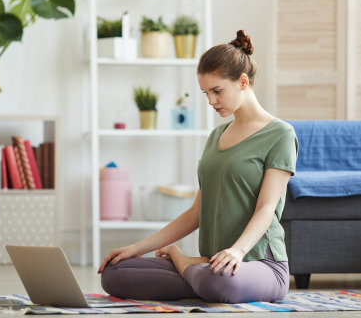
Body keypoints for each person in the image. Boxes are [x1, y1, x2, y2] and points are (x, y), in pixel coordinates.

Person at [98, 30, 298, 303]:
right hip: (210, 264)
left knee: (218, 282)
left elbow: (266, 209)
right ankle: (196, 273)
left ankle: (184, 262)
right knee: (115, 272)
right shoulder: (217, 136)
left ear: (242, 82)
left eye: (217, 91)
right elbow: (196, 212)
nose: (211, 102)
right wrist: (137, 247)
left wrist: (237, 252)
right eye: (206, 93)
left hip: (258, 264)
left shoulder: (281, 134)